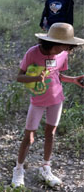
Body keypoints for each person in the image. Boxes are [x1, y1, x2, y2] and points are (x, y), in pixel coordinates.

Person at [11, 23, 84, 188]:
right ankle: (19, 169)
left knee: (50, 134)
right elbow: (19, 77)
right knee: (29, 137)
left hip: (56, 99)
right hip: (37, 101)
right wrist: (36, 79)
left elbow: (57, 74)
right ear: (52, 42)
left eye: (68, 48)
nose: (64, 51)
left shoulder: (63, 54)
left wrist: (73, 80)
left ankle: (46, 167)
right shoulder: (33, 53)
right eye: (62, 47)